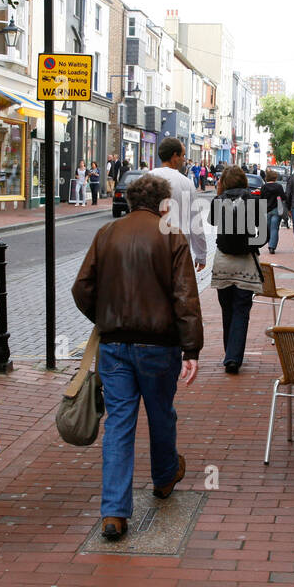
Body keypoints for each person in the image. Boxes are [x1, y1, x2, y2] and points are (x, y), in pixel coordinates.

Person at [72, 174, 202, 541]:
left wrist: (105, 317)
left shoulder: (107, 234)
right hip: (159, 345)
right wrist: (191, 348)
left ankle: (114, 511)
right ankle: (163, 478)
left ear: (130, 201)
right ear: (164, 203)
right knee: (161, 414)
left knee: (119, 423)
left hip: (114, 345)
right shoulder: (171, 235)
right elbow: (185, 298)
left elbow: (82, 287)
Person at [209, 166, 265, 373]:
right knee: (241, 310)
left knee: (227, 310)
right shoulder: (254, 201)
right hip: (245, 264)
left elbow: (213, 221)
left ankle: (229, 353)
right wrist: (251, 245)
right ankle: (233, 357)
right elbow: (263, 235)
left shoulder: (218, 201)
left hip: (223, 262)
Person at [149, 136, 207, 272]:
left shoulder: (146, 178)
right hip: (178, 249)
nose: (184, 159)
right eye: (183, 155)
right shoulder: (186, 183)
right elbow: (195, 221)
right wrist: (201, 254)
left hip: (150, 247)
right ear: (175, 156)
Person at [261, 169, 287, 255]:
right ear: (275, 178)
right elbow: (283, 197)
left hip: (266, 210)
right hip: (276, 209)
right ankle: (272, 247)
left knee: (268, 228)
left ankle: (269, 242)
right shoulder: (278, 187)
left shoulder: (264, 187)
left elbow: (261, 199)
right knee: (274, 228)